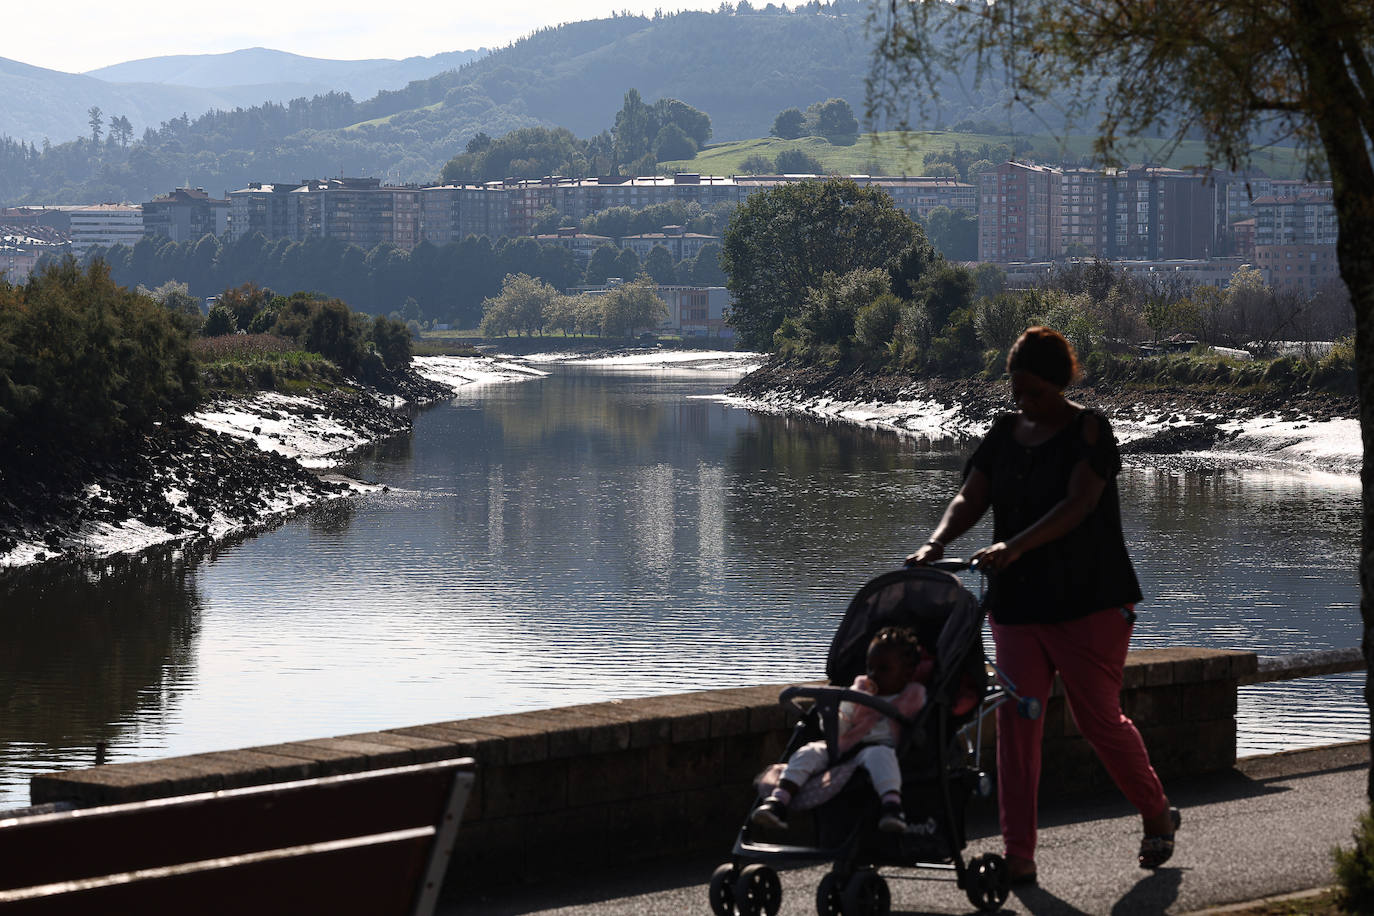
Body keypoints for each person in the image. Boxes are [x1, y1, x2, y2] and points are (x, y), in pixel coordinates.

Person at [907, 326, 1179, 886]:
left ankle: (1155, 811)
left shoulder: (1090, 431)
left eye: (1032, 391)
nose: (1021, 401)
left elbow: (1079, 504)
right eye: (1016, 389)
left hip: (1092, 602)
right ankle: (1019, 856)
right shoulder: (1005, 434)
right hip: (1018, 606)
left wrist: (1014, 545)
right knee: (1016, 726)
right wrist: (936, 543)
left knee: (1097, 718)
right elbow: (970, 497)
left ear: (1059, 382)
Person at [751, 626, 927, 833]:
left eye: (883, 669)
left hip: (881, 747)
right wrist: (834, 720)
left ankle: (892, 806)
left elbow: (920, 727)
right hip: (843, 744)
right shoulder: (860, 688)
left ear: (907, 674)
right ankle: (778, 802)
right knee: (808, 752)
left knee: (880, 756)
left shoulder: (913, 696)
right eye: (870, 668)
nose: (873, 675)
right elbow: (842, 718)